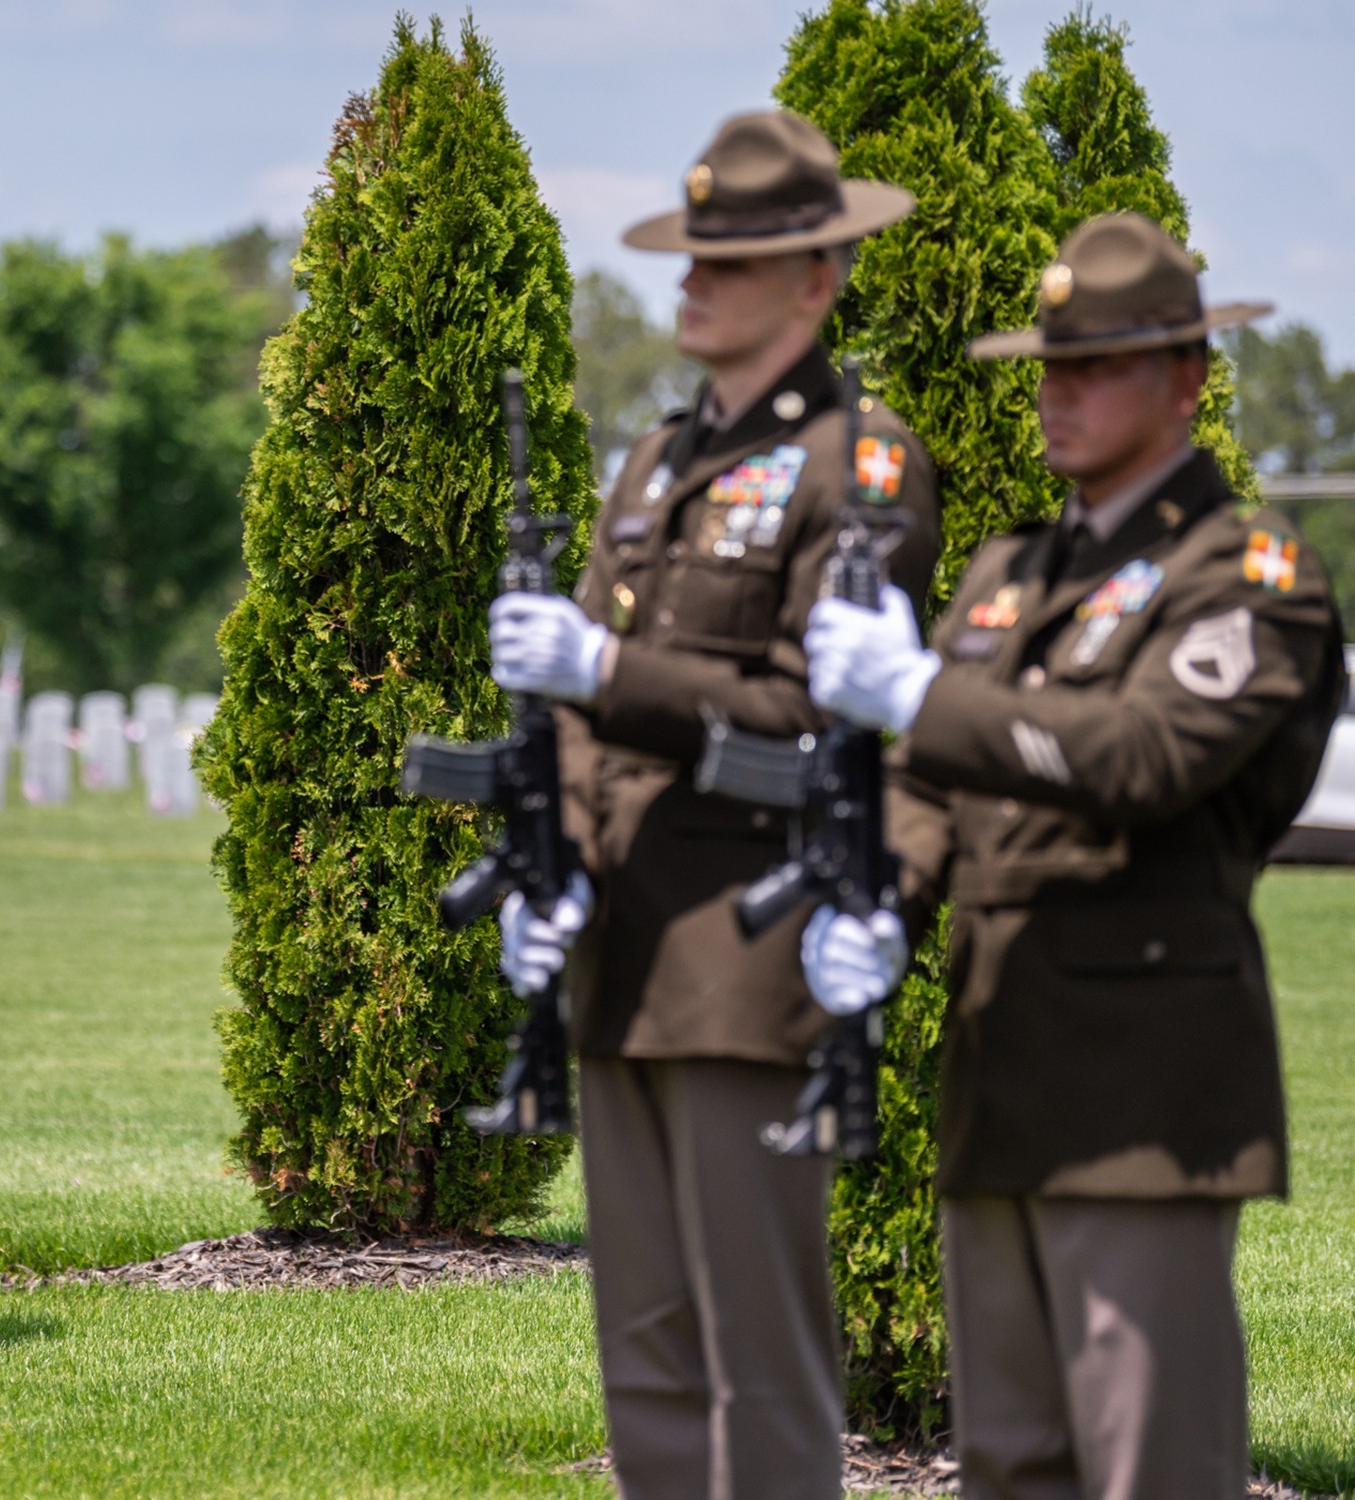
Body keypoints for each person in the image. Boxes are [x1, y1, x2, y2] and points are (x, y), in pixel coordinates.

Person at [802, 212, 1342, 1499]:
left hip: (1144, 1089)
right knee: (1011, 1465)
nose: (1059, 394)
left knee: (1148, 1462)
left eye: (1096, 366)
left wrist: (920, 699)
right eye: (1050, 366)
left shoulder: (1245, 573)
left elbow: (1145, 759)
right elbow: (932, 779)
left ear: (1188, 381)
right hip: (1003, 1077)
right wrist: (883, 886)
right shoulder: (1009, 573)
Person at [488, 110, 941, 1499]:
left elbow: (822, 715)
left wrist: (614, 668)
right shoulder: (652, 464)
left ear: (813, 281)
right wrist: (550, 858)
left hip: (743, 952)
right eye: (688, 258)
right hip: (620, 949)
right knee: (644, 1352)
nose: (689, 284)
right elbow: (566, 707)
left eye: (725, 264)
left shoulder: (855, 469)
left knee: (758, 1352)